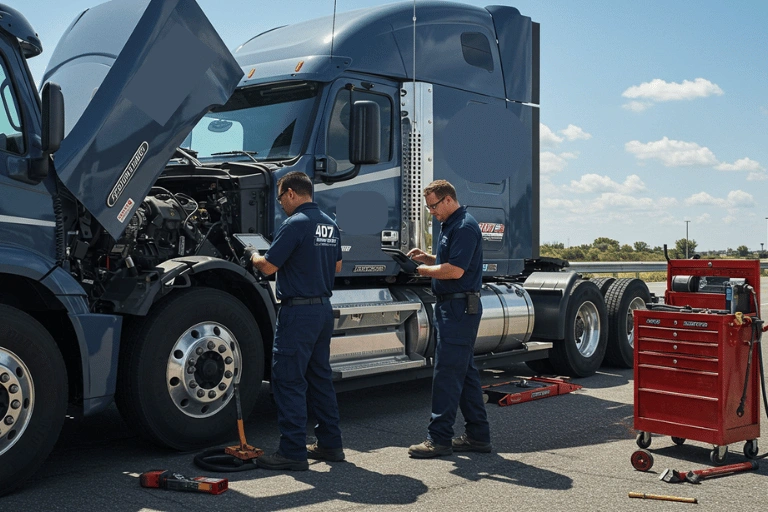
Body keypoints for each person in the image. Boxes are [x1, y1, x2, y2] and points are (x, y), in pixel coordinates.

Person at [251, 171, 344, 471]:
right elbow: (337, 266)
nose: (281, 205)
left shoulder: (295, 224)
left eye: (281, 199)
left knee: (289, 380)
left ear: (290, 193)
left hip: (298, 312)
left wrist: (252, 255)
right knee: (320, 379)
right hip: (322, 311)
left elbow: (268, 267)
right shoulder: (330, 224)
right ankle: (330, 444)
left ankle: (292, 452)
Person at [406, 179, 491, 458]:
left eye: (433, 206)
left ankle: (439, 438)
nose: (431, 211)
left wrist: (423, 272)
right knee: (464, 374)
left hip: (458, 309)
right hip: (452, 308)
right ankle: (478, 436)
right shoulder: (451, 225)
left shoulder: (465, 226)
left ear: (447, 200)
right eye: (428, 206)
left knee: (446, 376)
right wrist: (428, 259)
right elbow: (450, 261)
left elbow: (455, 271)